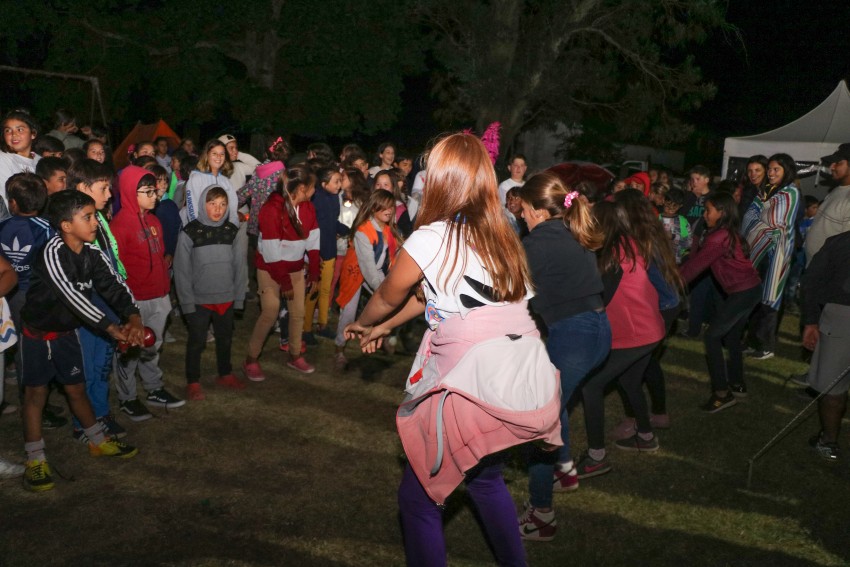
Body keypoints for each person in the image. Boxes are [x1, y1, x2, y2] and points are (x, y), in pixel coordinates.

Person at [344, 133, 560, 566]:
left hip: (468, 383)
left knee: (419, 502)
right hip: (512, 377)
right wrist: (385, 327)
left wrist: (365, 321)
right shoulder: (503, 234)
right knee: (485, 478)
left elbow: (388, 293)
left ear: (441, 180)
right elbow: (434, 296)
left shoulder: (432, 237)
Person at [21, 190, 142, 492]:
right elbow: (71, 297)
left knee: (76, 389)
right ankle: (35, 459)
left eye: (95, 216)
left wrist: (133, 316)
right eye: (87, 217)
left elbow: (113, 284)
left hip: (66, 335)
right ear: (65, 225)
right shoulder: (51, 253)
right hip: (36, 335)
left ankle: (97, 441)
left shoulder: (92, 253)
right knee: (36, 395)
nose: (95, 222)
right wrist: (112, 328)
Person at [517, 172, 611, 542]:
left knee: (542, 422)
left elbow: (507, 289)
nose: (522, 216)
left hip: (575, 335)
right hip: (596, 330)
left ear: (539, 212)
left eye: (524, 210)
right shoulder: (571, 228)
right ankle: (565, 470)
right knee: (556, 405)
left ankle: (542, 514)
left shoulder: (537, 241)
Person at [576, 199, 665, 479]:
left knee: (591, 385)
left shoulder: (615, 254)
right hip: (651, 329)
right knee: (628, 380)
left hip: (637, 333)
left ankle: (595, 457)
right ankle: (646, 436)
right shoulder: (629, 242)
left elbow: (601, 300)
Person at [111, 166, 185, 421]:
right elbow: (116, 268)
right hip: (135, 300)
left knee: (154, 344)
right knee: (130, 349)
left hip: (159, 295)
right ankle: (128, 397)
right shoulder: (119, 225)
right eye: (148, 191)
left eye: (155, 190)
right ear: (132, 193)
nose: (155, 195)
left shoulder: (154, 221)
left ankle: (153, 388)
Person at [681, 192, 762, 412]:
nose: (705, 214)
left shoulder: (719, 238)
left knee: (712, 336)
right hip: (749, 291)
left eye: (708, 210)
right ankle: (737, 384)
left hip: (744, 293)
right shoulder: (725, 233)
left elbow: (694, 267)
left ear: (722, 212)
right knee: (732, 336)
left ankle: (722, 393)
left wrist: (670, 282)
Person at [244, 165, 319, 379]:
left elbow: (314, 239)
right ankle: (250, 358)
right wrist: (284, 282)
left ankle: (294, 355)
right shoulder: (272, 209)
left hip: (294, 268)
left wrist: (314, 272)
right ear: (302, 188)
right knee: (270, 310)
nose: (315, 191)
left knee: (298, 313)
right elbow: (270, 250)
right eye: (312, 187)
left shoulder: (308, 208)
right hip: (270, 268)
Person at [174, 185, 247, 400]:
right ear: (202, 204)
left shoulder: (231, 231)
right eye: (212, 203)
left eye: (223, 204)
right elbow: (181, 270)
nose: (218, 209)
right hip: (199, 300)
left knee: (225, 339)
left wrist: (239, 296)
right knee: (196, 341)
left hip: (226, 297)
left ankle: (225, 373)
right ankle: (193, 381)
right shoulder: (190, 232)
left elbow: (240, 266)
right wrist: (186, 303)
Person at [333, 190, 401, 370]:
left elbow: (390, 257)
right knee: (349, 312)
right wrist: (385, 290)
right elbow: (368, 268)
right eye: (384, 206)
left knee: (387, 307)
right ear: (373, 208)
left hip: (375, 273)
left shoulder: (388, 229)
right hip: (355, 273)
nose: (389, 210)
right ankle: (339, 348)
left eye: (391, 206)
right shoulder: (363, 231)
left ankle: (383, 336)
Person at [742, 153, 800, 360]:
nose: (771, 173)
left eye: (776, 169)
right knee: (756, 297)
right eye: (770, 169)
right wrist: (758, 222)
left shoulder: (790, 192)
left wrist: (758, 222)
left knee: (771, 297)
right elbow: (750, 215)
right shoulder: (767, 190)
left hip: (777, 253)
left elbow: (775, 221)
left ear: (787, 171)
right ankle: (751, 341)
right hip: (759, 251)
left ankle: (766, 345)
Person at [801, 230, 850, 460]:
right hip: (841, 315)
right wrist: (811, 319)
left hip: (841, 316)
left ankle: (828, 440)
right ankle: (828, 440)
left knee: (832, 386)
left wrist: (810, 320)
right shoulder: (839, 242)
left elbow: (810, 280)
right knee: (834, 385)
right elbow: (811, 281)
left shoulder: (839, 242)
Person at [303, 167, 348, 343]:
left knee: (326, 289)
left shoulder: (334, 198)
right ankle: (306, 329)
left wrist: (347, 230)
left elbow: (331, 222)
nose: (340, 185)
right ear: (324, 184)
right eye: (336, 181)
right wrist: (315, 253)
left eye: (340, 181)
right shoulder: (318, 199)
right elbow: (315, 227)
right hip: (319, 252)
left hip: (330, 250)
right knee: (313, 291)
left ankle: (322, 324)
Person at [805, 143, 850, 264]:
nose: (832, 167)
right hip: (814, 266)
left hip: (827, 273)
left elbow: (845, 249)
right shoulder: (838, 189)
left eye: (838, 163)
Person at [0, 110, 41, 214]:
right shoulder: (3, 159)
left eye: (20, 129)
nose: (14, 134)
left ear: (33, 134)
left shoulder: (40, 161)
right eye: (8, 131)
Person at [659, 187, 691, 264]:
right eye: (668, 206)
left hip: (676, 261)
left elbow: (688, 243)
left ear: (680, 206)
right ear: (663, 200)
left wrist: (673, 237)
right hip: (659, 260)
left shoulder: (683, 222)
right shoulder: (656, 218)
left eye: (674, 207)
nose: (670, 209)